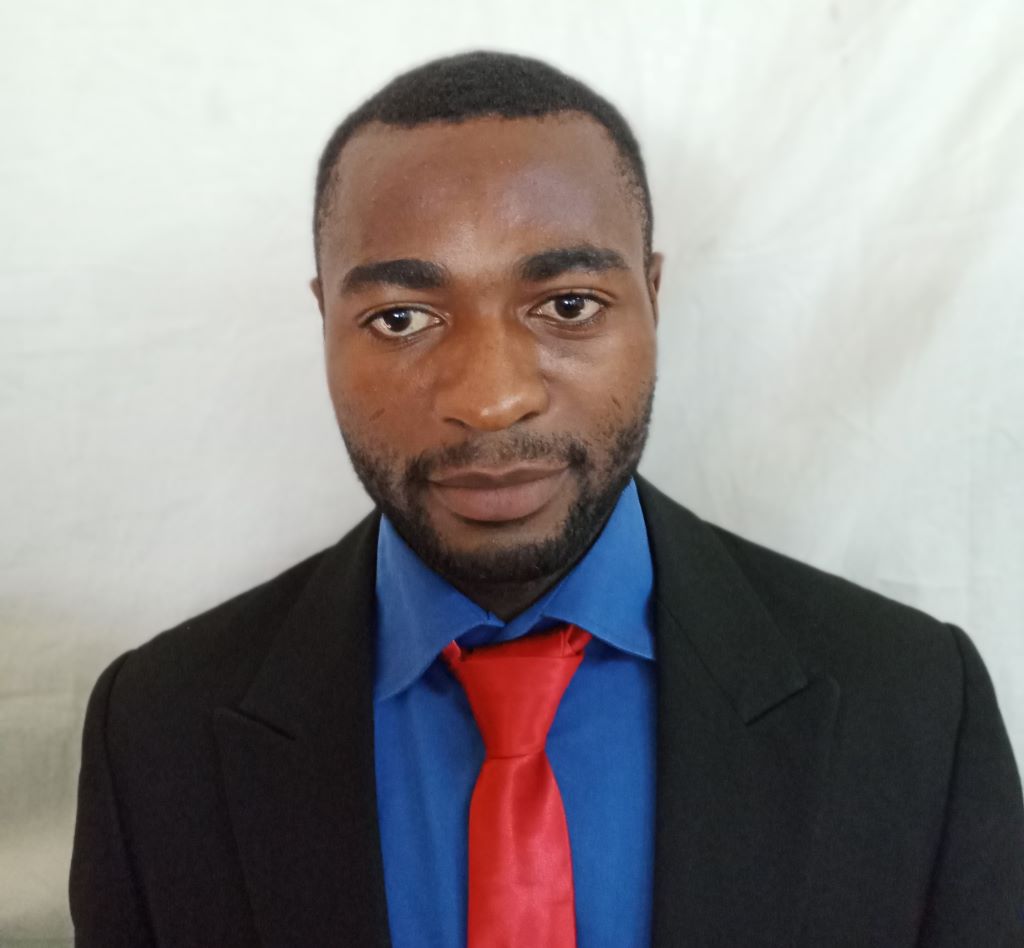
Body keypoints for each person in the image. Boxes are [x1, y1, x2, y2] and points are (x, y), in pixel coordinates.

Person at [70, 50, 1023, 947]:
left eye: (568, 305)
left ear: (653, 296)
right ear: (325, 318)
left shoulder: (915, 706)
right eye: (400, 318)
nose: (491, 399)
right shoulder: (154, 732)